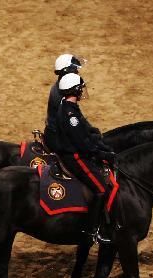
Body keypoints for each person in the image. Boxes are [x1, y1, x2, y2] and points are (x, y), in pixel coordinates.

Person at [52, 73, 117, 244]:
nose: (82, 90)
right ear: (75, 90)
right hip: (74, 156)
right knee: (101, 189)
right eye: (80, 88)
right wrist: (101, 154)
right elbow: (82, 143)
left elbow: (86, 135)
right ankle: (92, 230)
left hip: (75, 152)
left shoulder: (68, 107)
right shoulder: (70, 115)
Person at [44, 54, 85, 151]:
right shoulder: (63, 95)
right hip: (58, 138)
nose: (77, 71)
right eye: (75, 69)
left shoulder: (61, 87)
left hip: (54, 132)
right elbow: (69, 124)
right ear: (68, 71)